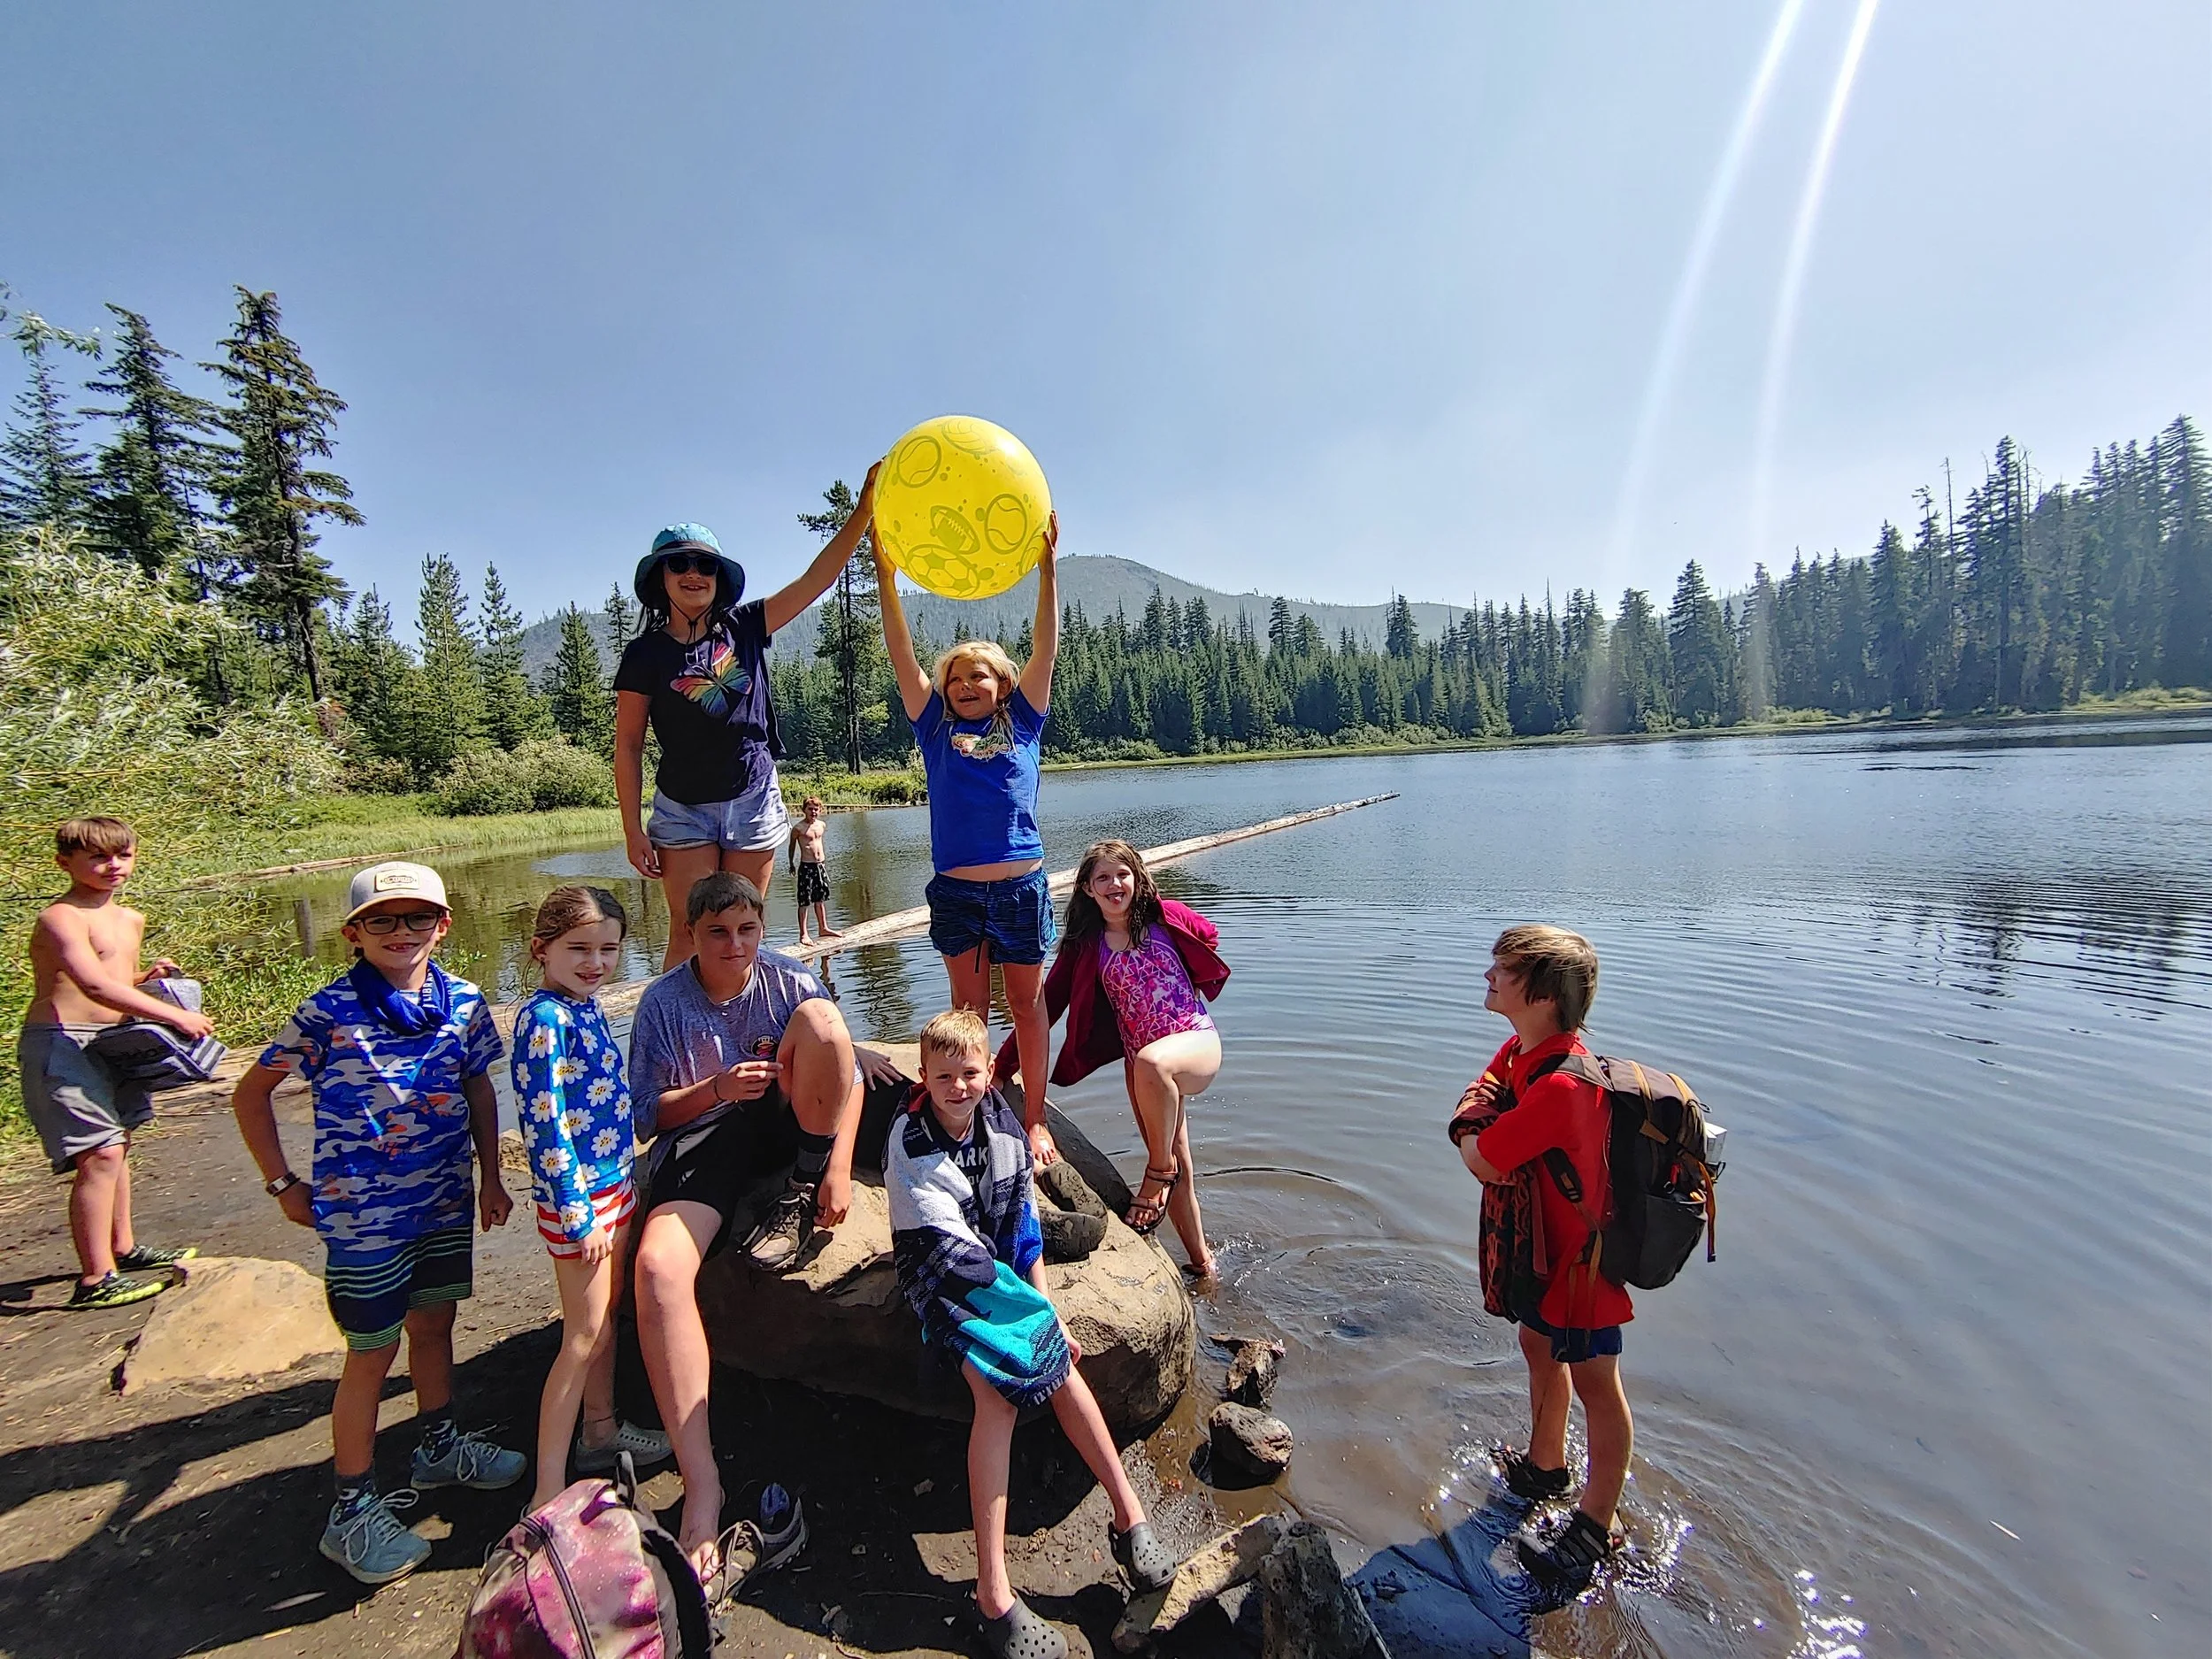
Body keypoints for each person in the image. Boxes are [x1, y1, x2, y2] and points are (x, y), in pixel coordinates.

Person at [230, 861, 526, 1586]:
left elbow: (479, 1087)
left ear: (443, 925)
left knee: (434, 1326)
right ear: (354, 932)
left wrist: (491, 1175)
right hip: (364, 1219)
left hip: (442, 1202)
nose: (402, 932)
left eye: (417, 918)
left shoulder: (462, 1002)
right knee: (370, 1352)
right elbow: (252, 1091)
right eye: (383, 920)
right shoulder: (327, 1011)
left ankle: (439, 1442)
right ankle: (352, 1508)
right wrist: (281, 1182)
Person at [886, 1010, 1177, 1659]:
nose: (958, 1087)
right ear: (924, 1078)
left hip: (997, 1271)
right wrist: (1027, 1318)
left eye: (969, 1073)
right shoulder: (910, 1140)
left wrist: (1044, 1307)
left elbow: (1021, 1227)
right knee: (998, 1390)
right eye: (944, 1077)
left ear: (990, 1072)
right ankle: (993, 1591)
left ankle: (1129, 1517)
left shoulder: (1004, 1127)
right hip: (943, 1275)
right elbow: (948, 1248)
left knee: (1060, 1361)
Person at [626, 872, 864, 1582]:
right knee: (658, 1270)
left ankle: (794, 1191)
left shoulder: (789, 980)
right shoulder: (662, 1002)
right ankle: (702, 1481)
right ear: (691, 935)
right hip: (706, 1138)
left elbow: (842, 1074)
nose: (735, 945)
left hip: (788, 1131)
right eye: (718, 932)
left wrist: (837, 1167)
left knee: (825, 1022)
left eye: (748, 930)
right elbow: (646, 1117)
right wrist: (717, 1088)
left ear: (764, 929)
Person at [615, 467, 879, 970]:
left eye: (705, 566)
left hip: (752, 798)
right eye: (680, 565)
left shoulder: (747, 625)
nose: (694, 574)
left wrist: (862, 514)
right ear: (661, 578)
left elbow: (816, 580)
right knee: (690, 932)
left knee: (742, 933)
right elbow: (628, 744)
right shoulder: (644, 655)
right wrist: (632, 829)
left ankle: (743, 1037)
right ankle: (675, 1042)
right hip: (683, 808)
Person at [876, 513, 1062, 1167]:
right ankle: (978, 1113)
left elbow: (1046, 650)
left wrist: (1047, 571)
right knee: (969, 1010)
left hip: (1019, 888)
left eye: (978, 675)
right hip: (957, 892)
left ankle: (1034, 1122)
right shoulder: (933, 730)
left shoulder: (1026, 722)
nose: (965, 684)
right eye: (956, 677)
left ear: (1002, 684)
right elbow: (901, 654)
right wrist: (885, 576)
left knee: (1026, 1003)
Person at [1451, 925, 1632, 1589]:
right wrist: (1481, 1106)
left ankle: (1594, 1525)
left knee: (1596, 1386)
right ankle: (1546, 1464)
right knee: (1536, 1344)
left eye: (1505, 966)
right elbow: (1489, 1079)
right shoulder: (1524, 1048)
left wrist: (1472, 1119)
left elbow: (1483, 1161)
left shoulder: (1561, 1086)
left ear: (1545, 995)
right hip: (1545, 1257)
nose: (1490, 972)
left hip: (1585, 1269)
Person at [511, 885, 672, 1514]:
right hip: (581, 1201)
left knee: (603, 1325)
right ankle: (548, 1485)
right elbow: (544, 1124)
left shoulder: (587, 1005)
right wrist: (578, 1213)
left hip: (614, 1185)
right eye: (578, 948)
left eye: (608, 949)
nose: (594, 961)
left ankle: (600, 1432)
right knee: (581, 1335)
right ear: (541, 949)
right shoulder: (544, 1018)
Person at [1001, 840, 1229, 1280]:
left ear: (1137, 878)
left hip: (1195, 1042)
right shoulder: (1086, 946)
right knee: (1178, 1156)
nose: (1114, 884)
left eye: (1122, 874)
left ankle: (1156, 1172)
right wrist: (1005, 1065)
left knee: (1156, 1078)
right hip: (1142, 1068)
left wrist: (1195, 979)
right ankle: (1203, 1265)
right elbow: (1045, 1004)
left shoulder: (1167, 916)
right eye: (1102, 877)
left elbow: (1208, 937)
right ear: (1087, 889)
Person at [20, 817, 212, 1310]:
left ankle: (123, 1249)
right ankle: (94, 1279)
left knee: (119, 1143)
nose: (113, 867)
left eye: (122, 856)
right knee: (98, 1153)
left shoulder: (130, 919)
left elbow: (119, 982)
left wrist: (149, 977)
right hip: (61, 1041)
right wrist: (176, 1016)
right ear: (66, 863)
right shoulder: (60, 918)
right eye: (98, 858)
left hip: (112, 1042)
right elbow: (93, 985)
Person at [786, 795, 838, 947]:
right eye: (810, 809)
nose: (813, 812)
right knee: (804, 900)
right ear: (804, 810)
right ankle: (804, 934)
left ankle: (824, 928)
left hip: (820, 866)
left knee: (820, 899)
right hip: (806, 866)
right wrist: (791, 863)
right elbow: (791, 847)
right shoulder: (798, 828)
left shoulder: (821, 825)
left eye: (816, 809)